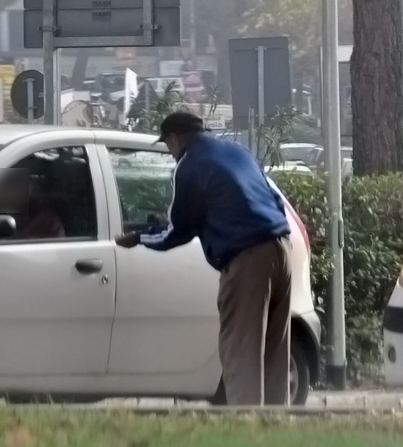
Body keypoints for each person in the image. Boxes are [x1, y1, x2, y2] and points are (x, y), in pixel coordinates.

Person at [115, 112, 293, 406]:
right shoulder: (237, 151)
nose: (170, 153)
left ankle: (248, 430)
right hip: (281, 247)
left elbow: (179, 232)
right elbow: (270, 200)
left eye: (167, 145)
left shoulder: (189, 165)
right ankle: (279, 429)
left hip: (246, 258)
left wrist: (138, 239)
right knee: (275, 349)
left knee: (242, 351)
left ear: (175, 139)